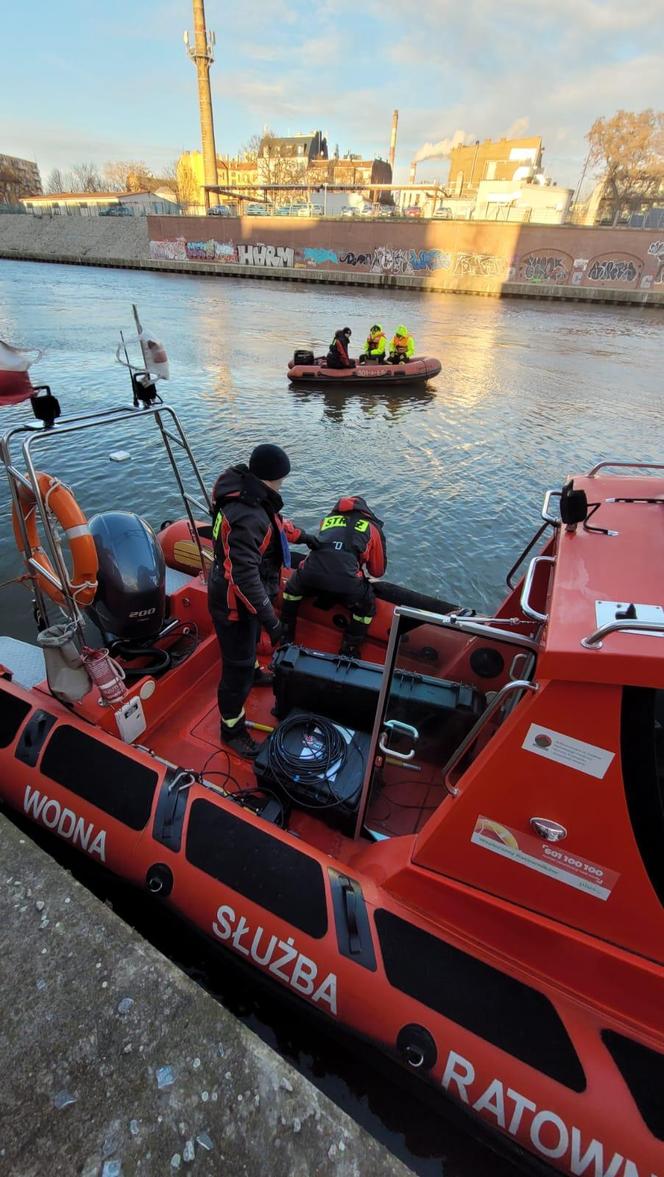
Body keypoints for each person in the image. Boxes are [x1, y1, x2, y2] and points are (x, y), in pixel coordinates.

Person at [208, 443, 318, 758]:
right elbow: (243, 578)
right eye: (282, 475)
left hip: (249, 596)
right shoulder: (247, 515)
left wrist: (303, 537)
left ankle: (255, 672)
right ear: (273, 477)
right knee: (236, 668)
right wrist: (273, 622)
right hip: (234, 605)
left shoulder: (249, 493)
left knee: (250, 648)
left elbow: (274, 525)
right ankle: (232, 728)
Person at [281, 496, 387, 658]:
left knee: (291, 590)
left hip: (309, 575)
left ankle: (285, 635)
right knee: (366, 608)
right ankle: (349, 649)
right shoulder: (372, 528)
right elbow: (377, 571)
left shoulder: (328, 519)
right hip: (347, 584)